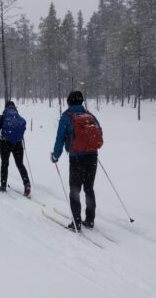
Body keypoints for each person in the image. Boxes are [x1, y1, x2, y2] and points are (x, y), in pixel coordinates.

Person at [51, 91, 104, 232]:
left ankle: (76, 223)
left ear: (69, 101)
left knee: (75, 190)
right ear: (81, 101)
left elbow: (60, 138)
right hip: (92, 156)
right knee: (89, 188)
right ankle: (90, 220)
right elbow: (99, 132)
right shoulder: (90, 116)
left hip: (76, 158)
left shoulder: (66, 117)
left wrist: (55, 155)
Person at [0, 101, 30, 195]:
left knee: (5, 164)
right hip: (18, 143)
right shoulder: (18, 117)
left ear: (6, 107)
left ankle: (3, 185)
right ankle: (27, 184)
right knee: (20, 164)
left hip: (5, 143)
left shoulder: (2, 117)